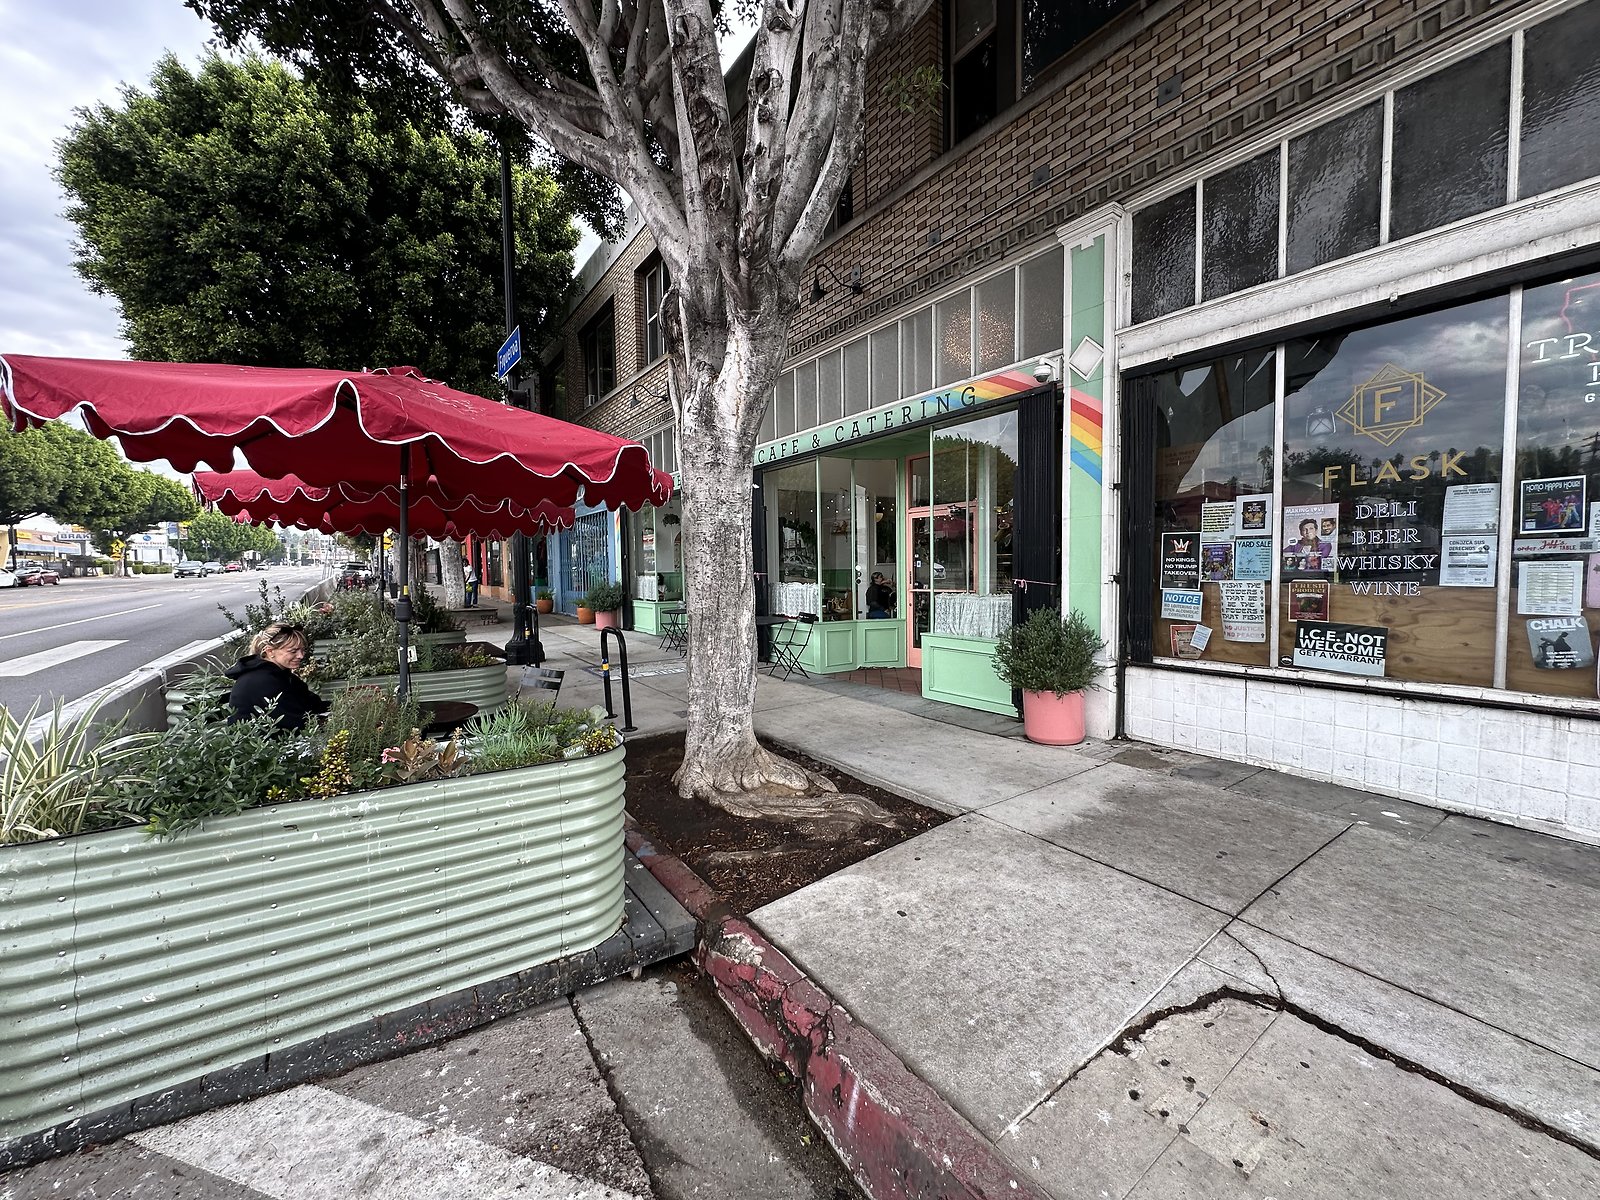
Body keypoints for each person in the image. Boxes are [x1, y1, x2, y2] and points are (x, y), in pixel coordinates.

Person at [225, 623, 330, 731]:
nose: (301, 655)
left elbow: (313, 704)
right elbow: (296, 722)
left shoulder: (280, 674)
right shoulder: (263, 681)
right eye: (293, 651)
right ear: (270, 651)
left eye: (302, 650)